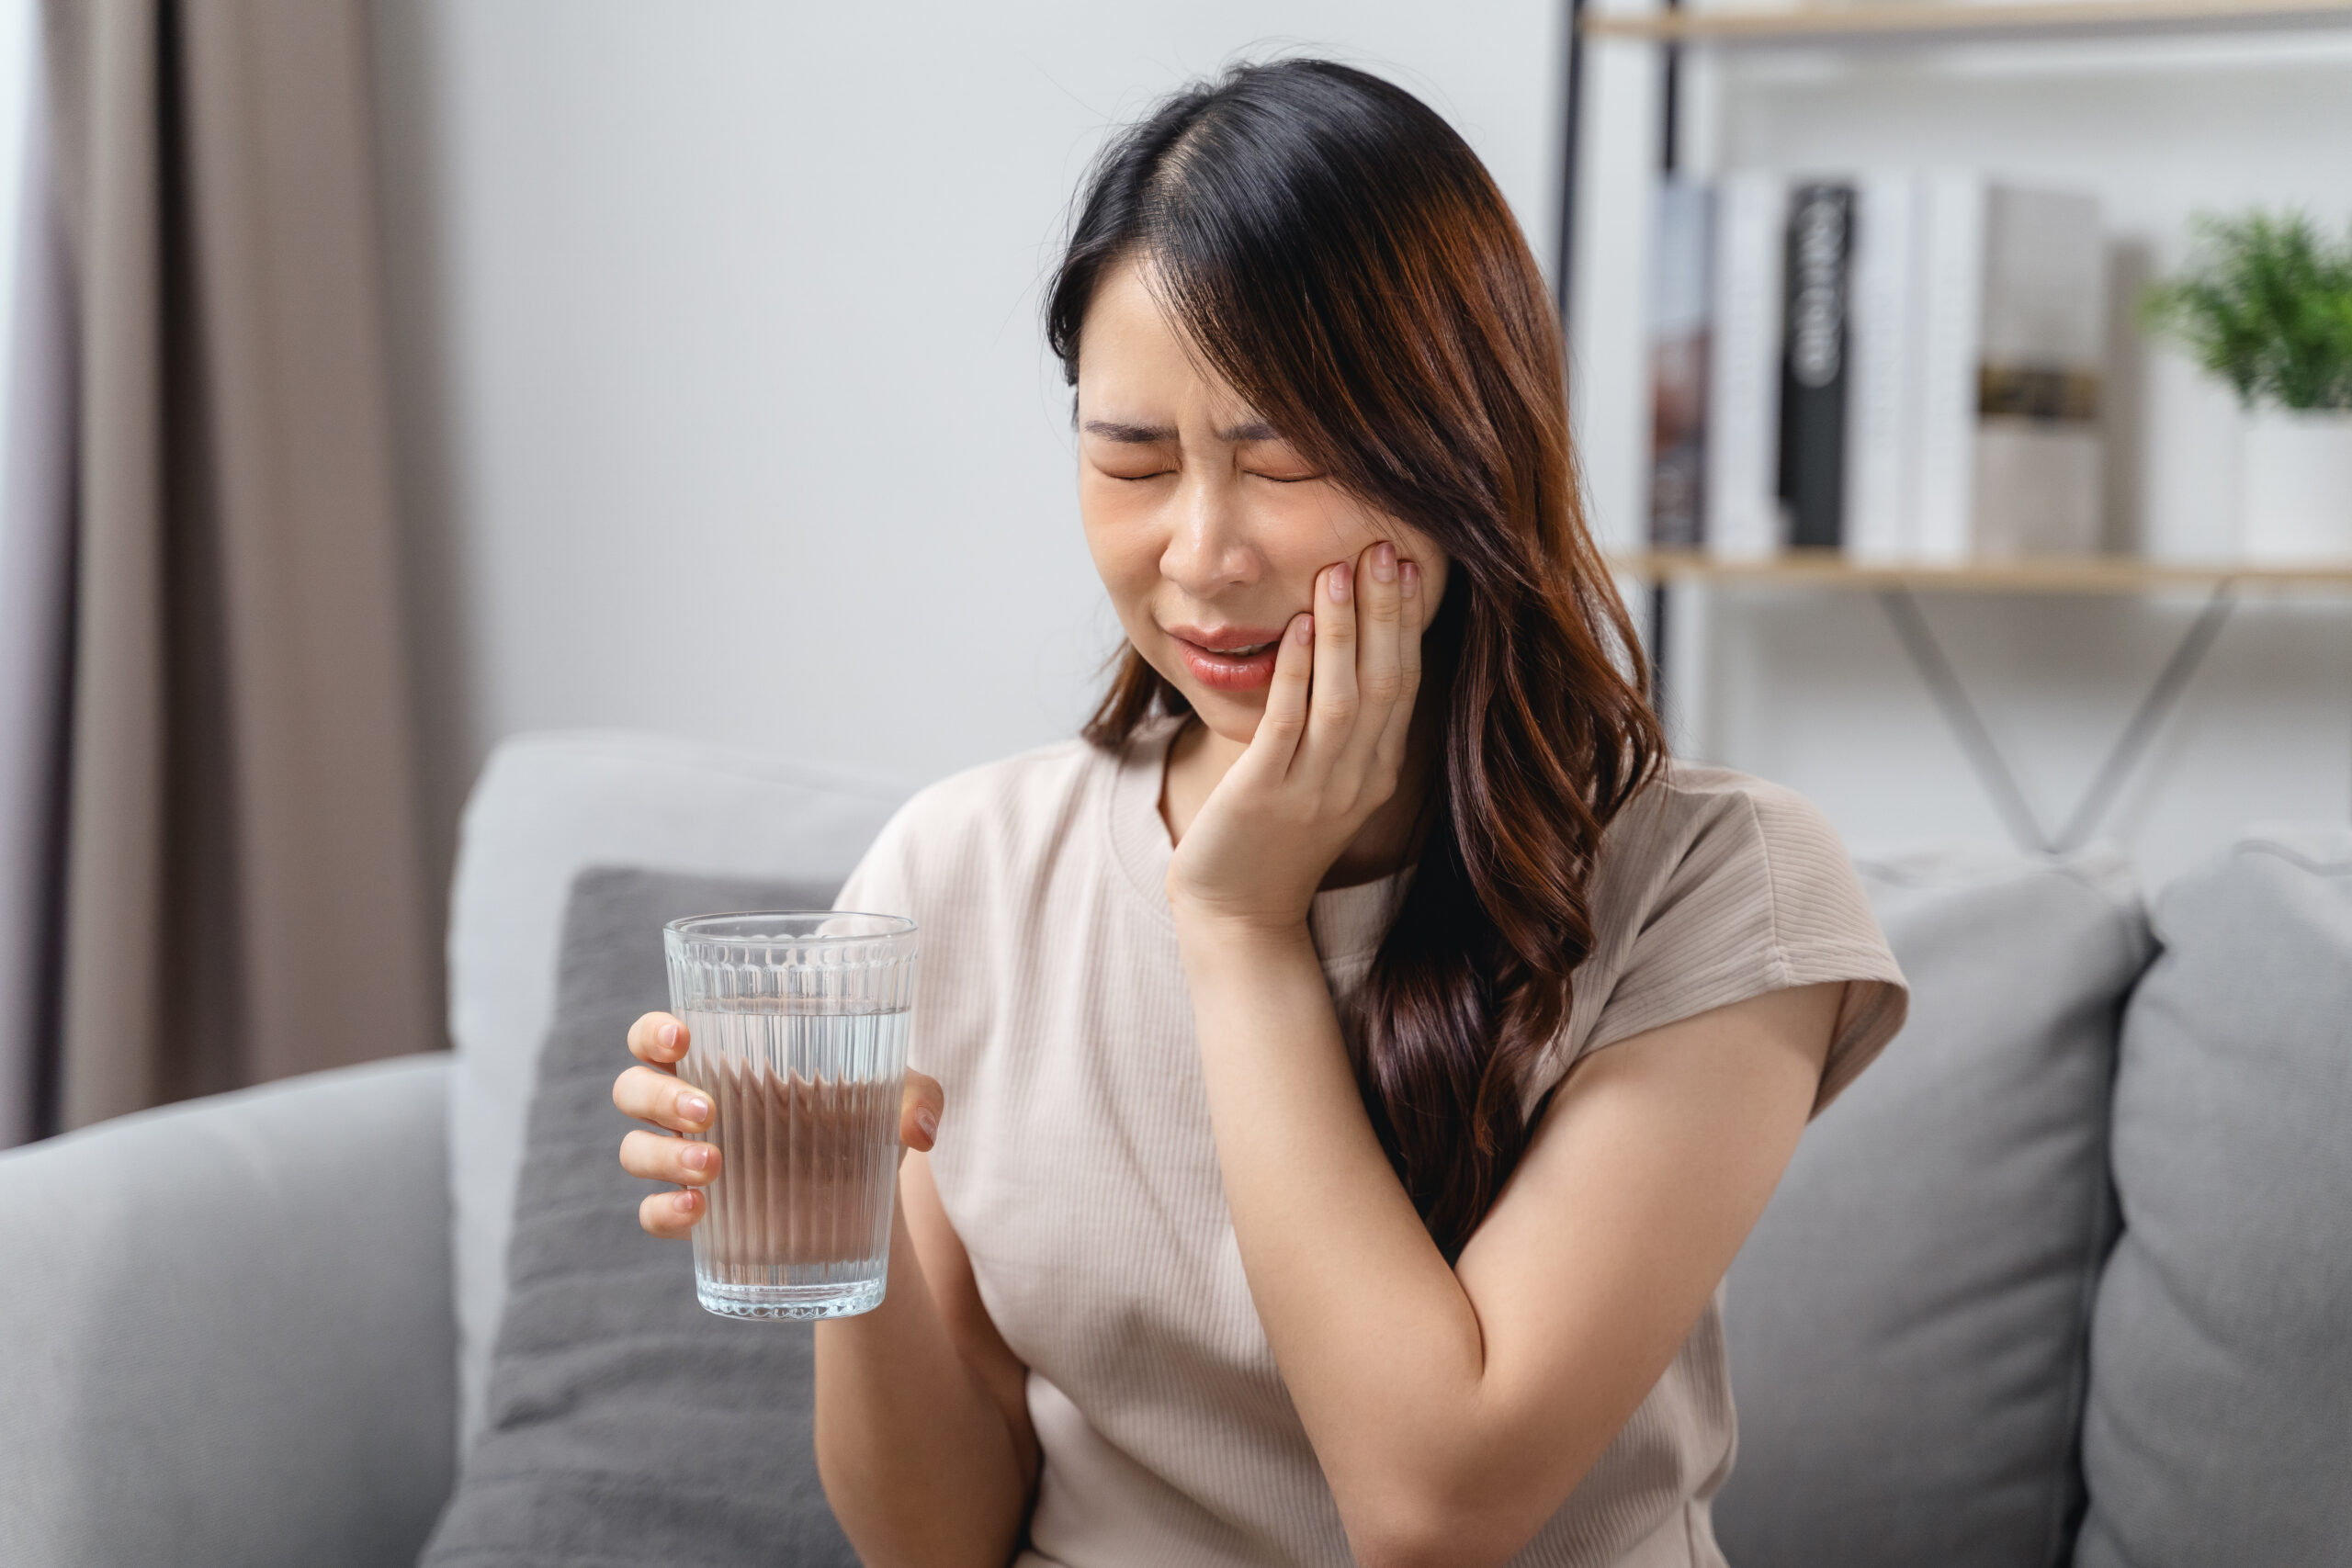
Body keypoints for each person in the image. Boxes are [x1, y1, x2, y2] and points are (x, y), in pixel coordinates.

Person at [612, 58, 1906, 1568]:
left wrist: (1238, 923)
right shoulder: (957, 870)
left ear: (1469, 454)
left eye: (1284, 457)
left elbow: (1437, 1508)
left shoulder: (1722, 887)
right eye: (1133, 460)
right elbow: (932, 1544)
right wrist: (849, 1226)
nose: (1205, 556)